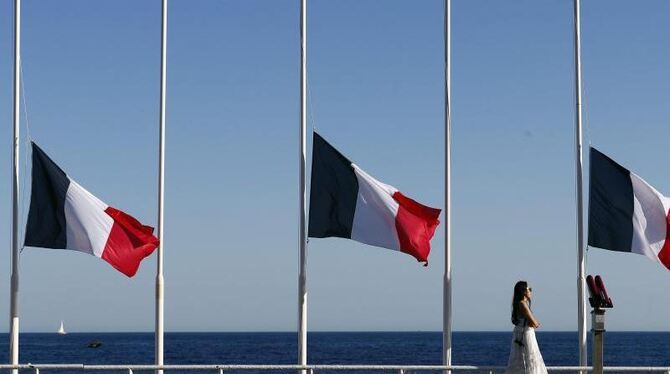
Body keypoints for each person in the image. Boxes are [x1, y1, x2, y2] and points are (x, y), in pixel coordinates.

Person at [505, 281, 548, 374]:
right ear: (524, 291)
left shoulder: (517, 304)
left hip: (519, 334)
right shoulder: (523, 304)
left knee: (520, 360)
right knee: (531, 359)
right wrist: (536, 323)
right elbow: (534, 323)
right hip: (526, 335)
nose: (531, 292)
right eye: (530, 289)